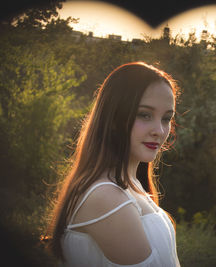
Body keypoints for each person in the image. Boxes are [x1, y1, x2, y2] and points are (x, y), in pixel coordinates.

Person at [46, 62, 181, 266]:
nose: (160, 131)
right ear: (114, 117)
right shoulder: (107, 196)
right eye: (144, 114)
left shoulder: (132, 185)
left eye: (166, 118)